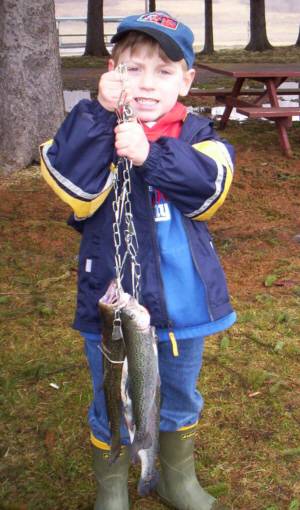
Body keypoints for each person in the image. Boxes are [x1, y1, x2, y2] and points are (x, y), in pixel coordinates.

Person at [40, 11, 236, 510]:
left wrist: (152, 154)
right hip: (110, 310)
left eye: (164, 71)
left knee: (179, 395)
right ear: (111, 72)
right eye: (132, 68)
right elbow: (75, 191)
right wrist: (101, 121)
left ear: (187, 81)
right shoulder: (90, 130)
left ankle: (173, 477)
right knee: (113, 398)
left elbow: (209, 192)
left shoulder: (201, 138)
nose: (147, 84)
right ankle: (112, 488)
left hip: (183, 308)